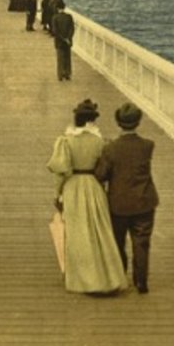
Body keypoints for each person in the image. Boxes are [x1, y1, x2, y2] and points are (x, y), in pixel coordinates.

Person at [46, 99, 128, 294]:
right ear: (92, 121)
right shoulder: (100, 142)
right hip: (94, 186)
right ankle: (107, 276)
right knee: (100, 231)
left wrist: (57, 193)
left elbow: (61, 171)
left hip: (73, 186)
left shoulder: (66, 141)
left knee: (78, 234)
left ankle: (84, 279)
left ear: (76, 119)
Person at [94, 103, 159, 294]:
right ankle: (141, 281)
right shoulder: (148, 146)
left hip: (118, 203)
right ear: (138, 122)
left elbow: (101, 175)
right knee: (142, 242)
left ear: (118, 122)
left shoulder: (110, 149)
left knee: (118, 242)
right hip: (144, 201)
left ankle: (120, 276)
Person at [49, 0, 74, 81]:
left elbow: (55, 31)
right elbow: (72, 29)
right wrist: (68, 38)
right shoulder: (69, 17)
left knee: (60, 58)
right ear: (64, 7)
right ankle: (67, 73)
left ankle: (60, 74)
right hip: (68, 41)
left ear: (57, 8)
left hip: (59, 41)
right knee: (67, 58)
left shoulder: (55, 17)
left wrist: (63, 38)